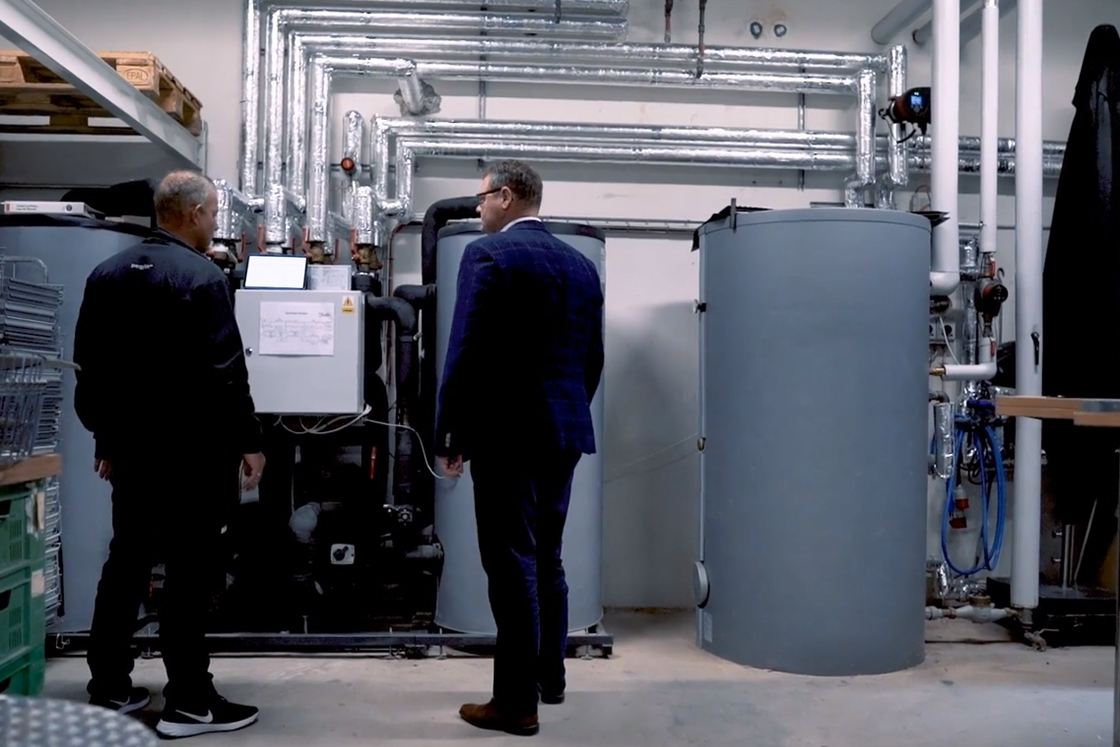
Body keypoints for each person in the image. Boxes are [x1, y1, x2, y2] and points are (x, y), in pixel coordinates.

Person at [73, 170, 265, 739]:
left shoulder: (105, 273)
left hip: (131, 455)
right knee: (190, 573)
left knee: (126, 563)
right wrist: (250, 442)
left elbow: (92, 370)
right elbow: (225, 372)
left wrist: (107, 439)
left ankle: (108, 685)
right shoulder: (202, 277)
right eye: (211, 214)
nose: (212, 224)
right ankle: (189, 703)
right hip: (194, 456)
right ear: (192, 214)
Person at [435, 160, 605, 736]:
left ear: (505, 197)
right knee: (547, 558)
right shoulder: (582, 265)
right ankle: (549, 678)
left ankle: (515, 702)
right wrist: (565, 413)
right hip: (563, 433)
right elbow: (592, 361)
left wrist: (450, 434)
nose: (476, 207)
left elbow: (466, 350)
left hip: (506, 436)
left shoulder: (488, 256)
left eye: (481, 197)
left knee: (510, 566)